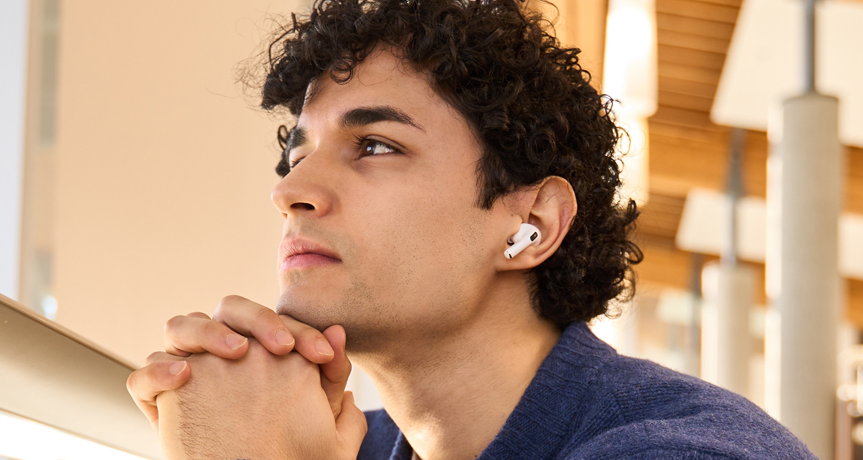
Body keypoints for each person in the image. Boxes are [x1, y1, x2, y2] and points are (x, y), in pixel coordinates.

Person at [125, 0, 816, 458]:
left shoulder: (680, 452)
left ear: (532, 224)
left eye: (375, 147)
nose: (290, 191)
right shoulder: (344, 444)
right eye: (296, 155)